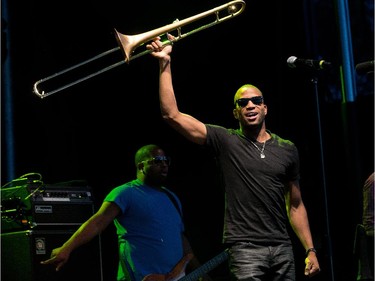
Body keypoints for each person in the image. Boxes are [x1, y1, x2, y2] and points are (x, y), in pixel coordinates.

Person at [146, 36, 321, 280]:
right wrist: (165, 62)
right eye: (243, 102)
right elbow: (171, 115)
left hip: (282, 246)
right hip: (245, 248)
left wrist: (310, 250)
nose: (250, 105)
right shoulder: (225, 139)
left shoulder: (287, 148)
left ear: (265, 108)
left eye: (256, 101)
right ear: (235, 112)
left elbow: (295, 204)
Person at [41, 144, 211, 281]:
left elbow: (181, 240)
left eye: (166, 160)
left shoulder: (171, 197)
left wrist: (201, 271)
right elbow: (98, 222)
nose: (164, 164)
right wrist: (67, 248)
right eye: (158, 160)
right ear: (141, 166)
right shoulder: (125, 193)